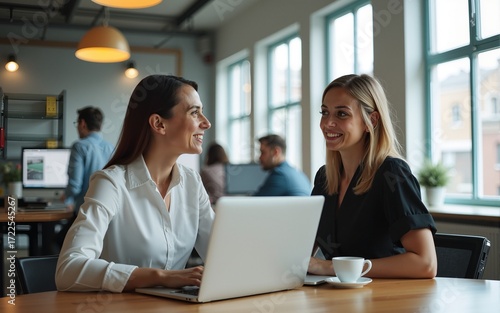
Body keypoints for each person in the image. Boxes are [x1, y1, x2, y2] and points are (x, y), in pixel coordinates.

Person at [56, 75, 215, 292]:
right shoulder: (111, 183)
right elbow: (68, 270)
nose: (206, 123)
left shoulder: (192, 183)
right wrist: (160, 277)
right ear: (159, 123)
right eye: (194, 112)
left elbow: (221, 256)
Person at [308, 74, 437, 279]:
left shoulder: (392, 174)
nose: (328, 123)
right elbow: (302, 252)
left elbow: (425, 263)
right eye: (324, 112)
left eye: (342, 114)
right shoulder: (325, 178)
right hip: (338, 299)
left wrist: (330, 267)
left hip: (385, 299)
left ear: (371, 120)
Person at [56, 107, 114, 247]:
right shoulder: (111, 147)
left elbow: (75, 185)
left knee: (56, 242)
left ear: (82, 123)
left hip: (84, 211)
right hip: (107, 213)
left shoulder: (80, 146)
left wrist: (67, 197)